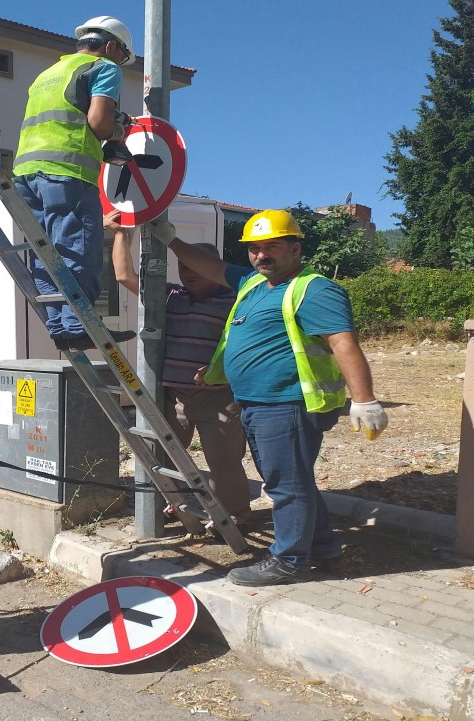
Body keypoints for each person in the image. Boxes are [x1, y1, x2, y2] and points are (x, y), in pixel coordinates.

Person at [150, 210, 388, 586]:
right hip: (257, 403)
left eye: (271, 247)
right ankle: (324, 547)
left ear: (295, 249)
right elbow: (212, 267)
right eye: (255, 248)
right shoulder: (252, 284)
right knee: (294, 481)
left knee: (285, 485)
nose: (261, 255)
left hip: (287, 403)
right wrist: (171, 240)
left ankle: (289, 560)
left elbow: (343, 342)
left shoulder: (314, 289)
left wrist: (365, 398)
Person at [105, 212, 251, 527]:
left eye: (196, 266)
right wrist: (120, 234)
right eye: (183, 266)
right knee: (162, 458)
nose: (188, 272)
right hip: (175, 397)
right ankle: (171, 506)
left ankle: (236, 515)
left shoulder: (236, 300)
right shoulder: (170, 295)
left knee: (224, 463)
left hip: (219, 398)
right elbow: (124, 276)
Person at [13, 16, 138, 352]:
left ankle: (60, 327)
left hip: (26, 172)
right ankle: (80, 327)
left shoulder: (48, 73)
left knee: (44, 255)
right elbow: (98, 123)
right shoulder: (103, 68)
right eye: (119, 55)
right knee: (77, 250)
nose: (117, 62)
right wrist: (118, 129)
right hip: (67, 171)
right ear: (111, 46)